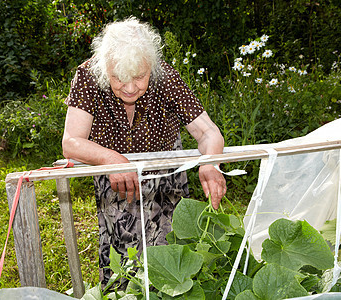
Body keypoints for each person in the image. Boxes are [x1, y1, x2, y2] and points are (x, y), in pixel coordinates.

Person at [62, 17, 226, 284]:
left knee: (170, 251)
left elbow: (208, 133)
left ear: (151, 65)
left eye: (139, 77)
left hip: (164, 172)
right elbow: (71, 142)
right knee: (123, 253)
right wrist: (111, 159)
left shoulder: (166, 76)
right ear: (105, 69)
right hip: (114, 174)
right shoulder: (88, 76)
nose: (129, 88)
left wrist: (210, 164)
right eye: (118, 78)